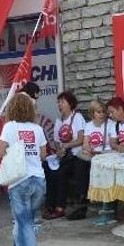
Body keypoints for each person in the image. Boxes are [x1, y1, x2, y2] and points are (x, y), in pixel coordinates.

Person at [0, 94, 47, 246]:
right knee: (26, 221)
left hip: (19, 181)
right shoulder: (37, 128)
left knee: (23, 223)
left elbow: (0, 151)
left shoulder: (10, 127)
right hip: (39, 180)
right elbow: (42, 155)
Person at [43, 91, 85, 220]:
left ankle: (60, 207)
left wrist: (65, 146)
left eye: (62, 102)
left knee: (61, 173)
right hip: (63, 155)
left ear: (70, 104)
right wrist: (59, 150)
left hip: (76, 156)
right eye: (58, 102)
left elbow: (80, 139)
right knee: (49, 170)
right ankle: (49, 204)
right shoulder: (59, 120)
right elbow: (56, 141)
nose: (59, 105)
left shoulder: (77, 117)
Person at [71, 99, 113, 221]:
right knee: (79, 164)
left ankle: (85, 200)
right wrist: (89, 150)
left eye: (103, 112)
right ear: (92, 113)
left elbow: (112, 144)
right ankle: (82, 197)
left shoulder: (110, 124)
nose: (102, 114)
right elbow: (85, 143)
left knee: (86, 166)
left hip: (105, 153)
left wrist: (98, 152)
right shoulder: (89, 125)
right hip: (92, 155)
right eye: (98, 112)